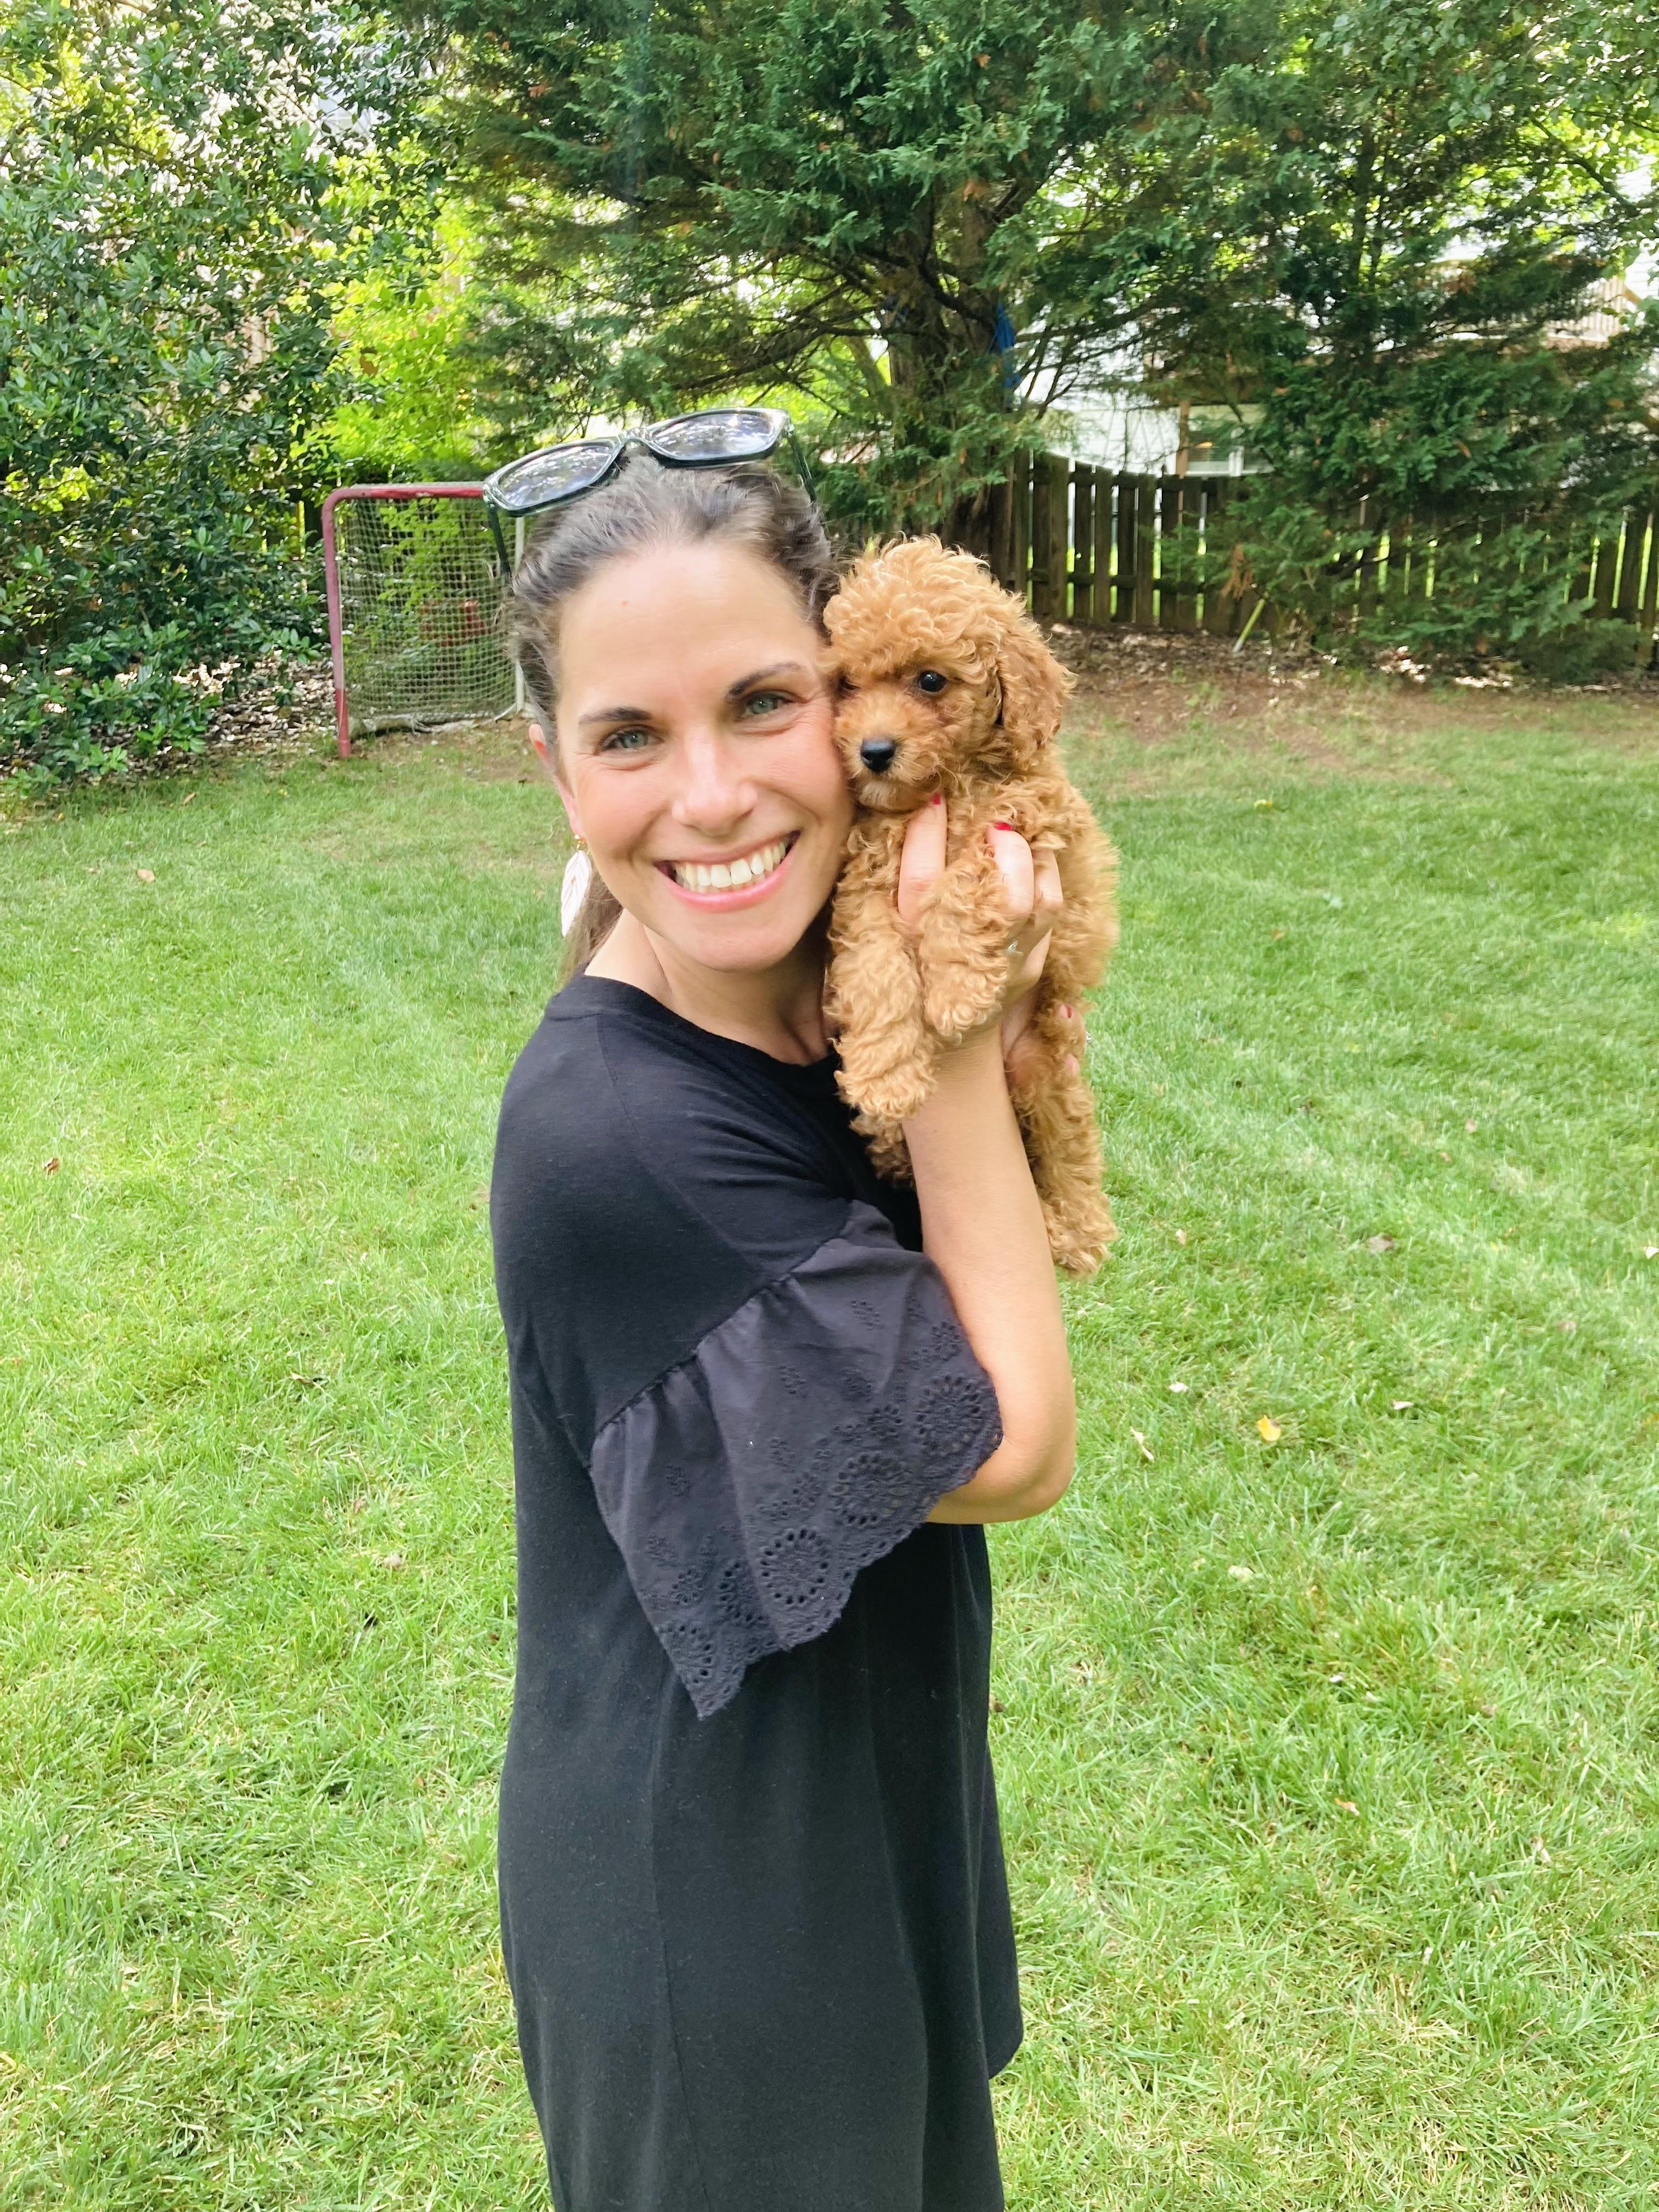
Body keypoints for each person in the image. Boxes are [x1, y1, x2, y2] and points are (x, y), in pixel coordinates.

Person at [489, 446, 1082, 2212]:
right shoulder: (618, 1142)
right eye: (628, 737)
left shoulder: (775, 983)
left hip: (852, 1800)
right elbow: (1008, 1446)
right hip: (721, 1917)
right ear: (553, 767)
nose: (714, 794)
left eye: (764, 703)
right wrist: (949, 1037)